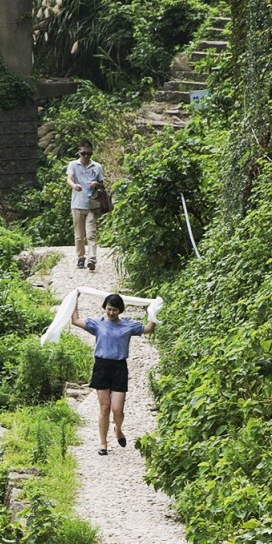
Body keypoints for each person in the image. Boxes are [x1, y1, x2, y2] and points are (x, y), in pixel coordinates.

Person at [72, 290, 155, 455]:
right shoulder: (98, 323)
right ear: (105, 308)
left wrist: (154, 311)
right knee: (105, 407)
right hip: (101, 366)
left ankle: (118, 429)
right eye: (109, 309)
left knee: (117, 410)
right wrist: (74, 300)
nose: (111, 312)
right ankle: (103, 444)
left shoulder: (128, 325)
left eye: (114, 310)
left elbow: (148, 329)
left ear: (120, 310)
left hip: (119, 367)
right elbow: (75, 321)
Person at [66, 141, 106, 271]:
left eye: (89, 154)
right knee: (79, 235)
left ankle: (92, 259)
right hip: (77, 205)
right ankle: (81, 257)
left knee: (91, 234)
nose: (86, 156)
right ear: (79, 153)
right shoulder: (73, 165)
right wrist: (74, 186)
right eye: (84, 153)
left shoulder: (97, 166)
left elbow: (102, 184)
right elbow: (69, 179)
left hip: (91, 205)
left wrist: (96, 184)